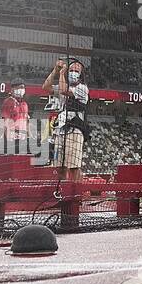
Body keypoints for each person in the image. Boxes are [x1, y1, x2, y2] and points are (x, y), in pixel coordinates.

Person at [44, 57, 91, 187]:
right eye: (71, 69)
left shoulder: (82, 88)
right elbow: (46, 87)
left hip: (75, 129)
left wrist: (61, 73)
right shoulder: (63, 83)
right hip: (60, 129)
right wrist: (55, 70)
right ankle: (61, 190)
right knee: (60, 165)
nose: (73, 72)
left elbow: (64, 90)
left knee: (74, 166)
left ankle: (76, 192)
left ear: (81, 74)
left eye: (76, 70)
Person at [0, 82, 29, 154]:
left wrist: (28, 136)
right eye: (19, 87)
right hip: (11, 137)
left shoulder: (24, 104)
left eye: (23, 88)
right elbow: (5, 120)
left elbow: (26, 121)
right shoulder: (8, 102)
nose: (22, 89)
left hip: (22, 137)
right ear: (12, 89)